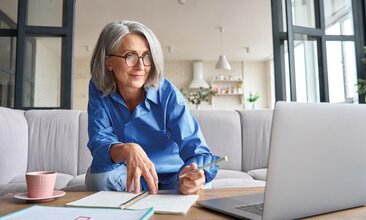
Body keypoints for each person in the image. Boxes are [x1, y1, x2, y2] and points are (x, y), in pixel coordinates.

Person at [85, 20, 219, 195]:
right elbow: (99, 141)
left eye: (146, 56)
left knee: (201, 185)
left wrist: (197, 174)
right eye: (130, 56)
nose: (141, 66)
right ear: (108, 62)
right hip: (129, 175)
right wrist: (126, 149)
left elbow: (196, 149)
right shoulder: (98, 88)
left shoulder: (167, 92)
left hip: (174, 176)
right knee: (97, 178)